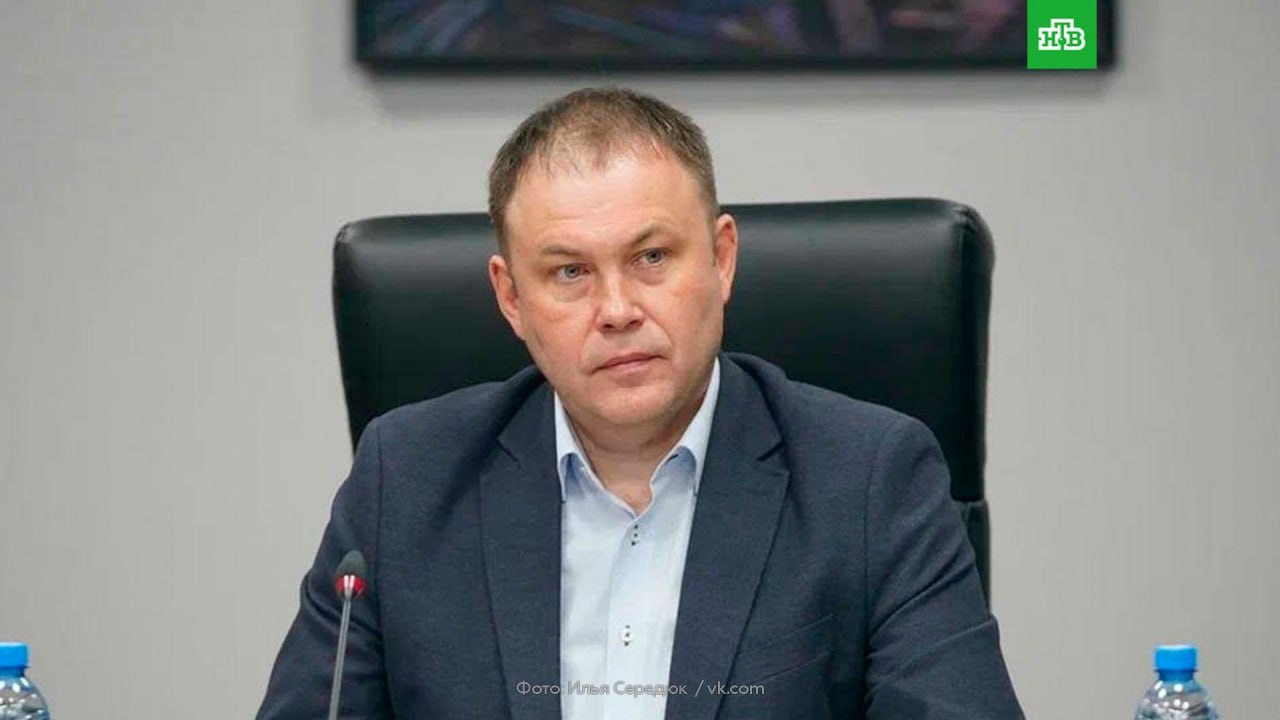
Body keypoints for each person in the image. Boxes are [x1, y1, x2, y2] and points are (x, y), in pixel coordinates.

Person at [257, 87, 1024, 719]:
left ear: (722, 258)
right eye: (569, 273)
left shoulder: (870, 481)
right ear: (511, 298)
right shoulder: (405, 481)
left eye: (652, 257)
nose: (618, 309)